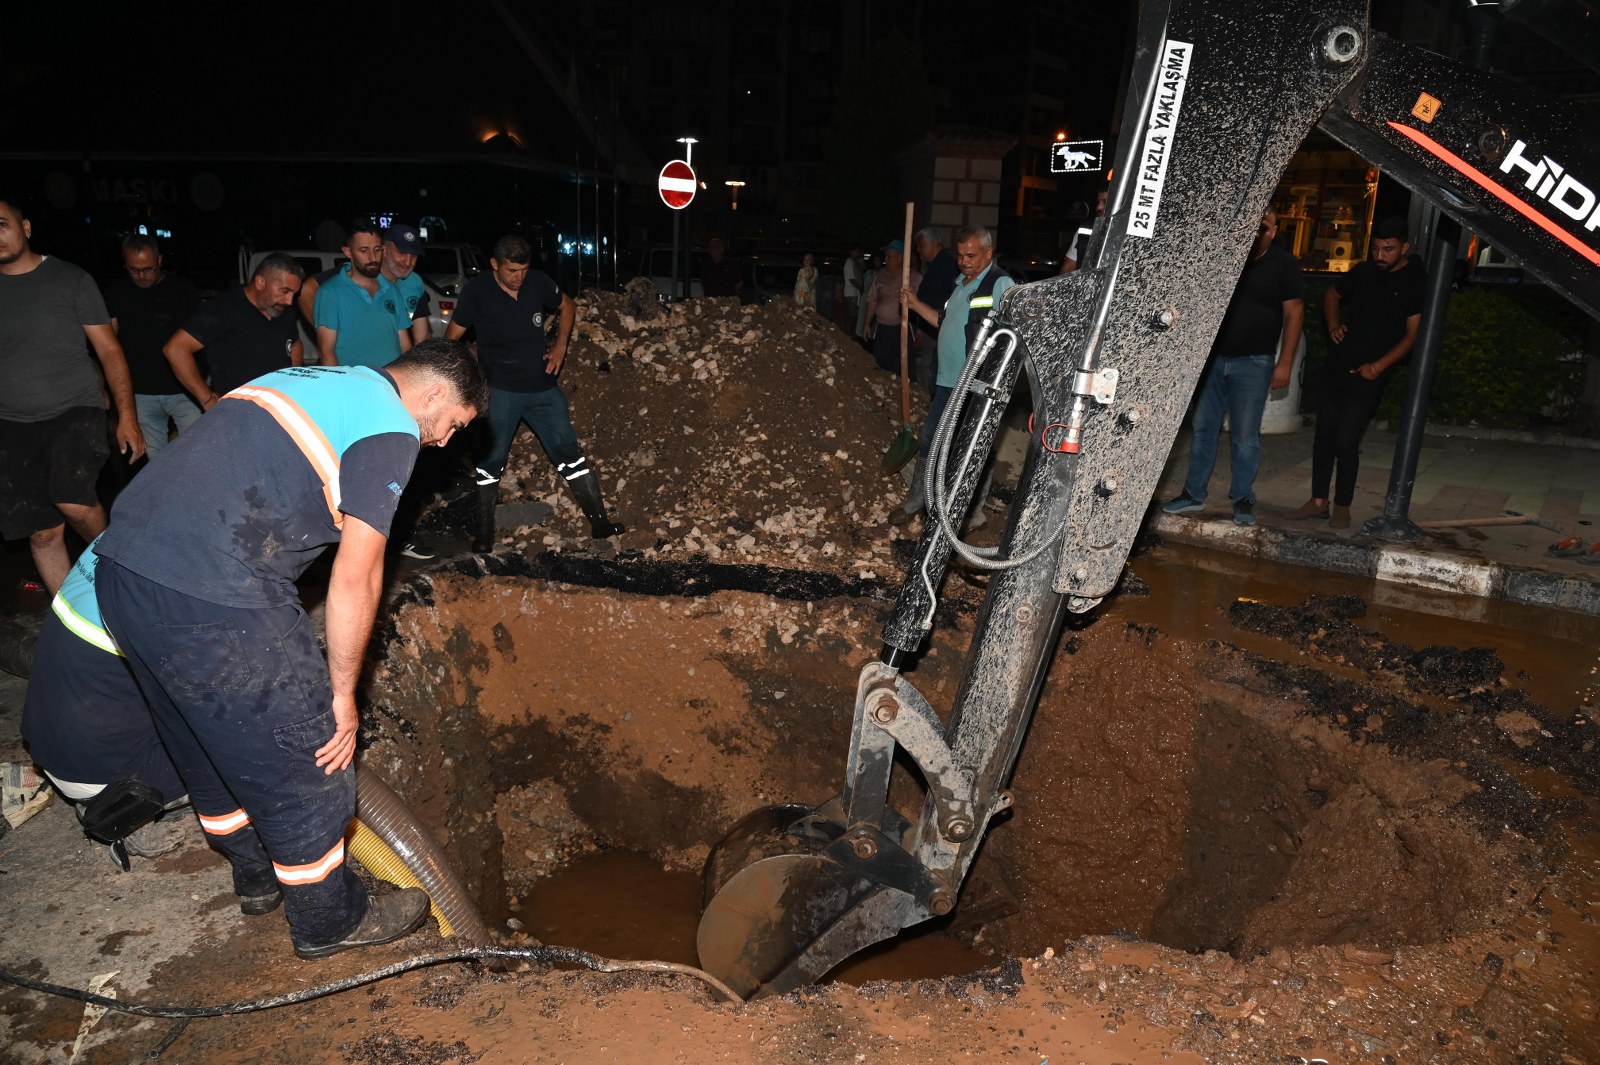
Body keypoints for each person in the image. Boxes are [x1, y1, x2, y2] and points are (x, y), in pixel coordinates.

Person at [93, 340, 487, 960]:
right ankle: (330, 917)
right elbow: (357, 577)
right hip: (214, 588)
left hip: (119, 569)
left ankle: (255, 875)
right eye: (453, 425)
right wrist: (340, 695)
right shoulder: (391, 427)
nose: (443, 442)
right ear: (434, 393)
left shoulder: (316, 378)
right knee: (314, 751)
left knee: (201, 736)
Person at [0, 195, 145, 596]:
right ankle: (71, 616)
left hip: (73, 409)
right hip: (10, 425)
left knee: (73, 500)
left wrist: (127, 416)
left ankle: (120, 566)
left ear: (25, 227)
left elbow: (110, 350)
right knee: (43, 534)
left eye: (2, 224)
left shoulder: (71, 279)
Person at [22, 539, 193, 867]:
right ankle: (122, 813)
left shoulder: (115, 538)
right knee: (241, 750)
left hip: (49, 745)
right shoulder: (177, 581)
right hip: (102, 774)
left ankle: (109, 793)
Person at [446, 234, 624, 548]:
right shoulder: (477, 292)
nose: (519, 278)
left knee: (569, 454)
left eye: (524, 270)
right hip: (500, 390)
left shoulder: (538, 282)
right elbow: (452, 338)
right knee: (490, 462)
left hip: (543, 389)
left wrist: (560, 347)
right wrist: (460, 377)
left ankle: (600, 523)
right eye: (512, 271)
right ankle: (484, 536)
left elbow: (567, 305)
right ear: (494, 265)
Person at [1162, 209, 1305, 525]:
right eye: (1250, 226)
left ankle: (1242, 496)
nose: (1255, 233)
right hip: (1212, 361)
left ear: (1274, 229)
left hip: (1254, 362)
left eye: (1263, 227)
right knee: (1203, 428)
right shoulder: (1225, 259)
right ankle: (1193, 494)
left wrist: (1285, 363)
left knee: (1244, 434)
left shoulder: (1282, 264)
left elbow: (1295, 314)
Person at [1286, 217, 1426, 529]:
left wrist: (1379, 366)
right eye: (1376, 248)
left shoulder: (1415, 281)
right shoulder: (1363, 271)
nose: (1380, 255)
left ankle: (1343, 505)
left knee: (1346, 439)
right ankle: (1318, 501)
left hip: (1370, 373)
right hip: (1339, 364)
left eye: (1388, 250)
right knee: (1323, 435)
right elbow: (1332, 294)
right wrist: (1334, 324)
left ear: (1404, 248)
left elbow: (1412, 336)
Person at [892, 224, 1015, 525]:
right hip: (948, 381)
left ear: (988, 251)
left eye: (971, 255)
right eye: (960, 255)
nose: (964, 261)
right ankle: (917, 500)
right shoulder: (960, 283)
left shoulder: (999, 284)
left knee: (971, 447)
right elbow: (942, 322)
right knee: (931, 439)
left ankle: (969, 513)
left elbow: (1010, 334)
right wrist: (914, 303)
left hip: (976, 384)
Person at [103, 235, 202, 458]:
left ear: (159, 260)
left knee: (197, 453)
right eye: (134, 270)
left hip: (184, 390)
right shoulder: (115, 294)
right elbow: (107, 346)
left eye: (148, 269)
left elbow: (203, 338)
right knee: (156, 460)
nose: (141, 276)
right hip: (140, 392)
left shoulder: (183, 290)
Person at [164, 253, 305, 406]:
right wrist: (207, 399)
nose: (290, 301)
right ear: (260, 282)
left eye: (294, 294)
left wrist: (292, 381)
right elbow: (176, 349)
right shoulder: (223, 308)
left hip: (278, 406)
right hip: (238, 410)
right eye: (285, 291)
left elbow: (295, 344)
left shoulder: (283, 310)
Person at [313, 222, 412, 368]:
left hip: (390, 382)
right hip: (352, 384)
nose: (372, 257)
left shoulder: (392, 290)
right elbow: (326, 351)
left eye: (377, 249)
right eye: (364, 250)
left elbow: (405, 344)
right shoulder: (330, 292)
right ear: (348, 252)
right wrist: (338, 386)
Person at [864, 239, 923, 376]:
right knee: (881, 367)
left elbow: (921, 305)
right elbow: (872, 301)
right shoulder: (879, 275)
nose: (886, 259)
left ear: (900, 257)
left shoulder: (913, 277)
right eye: (885, 256)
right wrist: (867, 323)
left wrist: (919, 332)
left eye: (889, 256)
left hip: (902, 329)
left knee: (901, 369)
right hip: (882, 330)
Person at [912, 227, 959, 396]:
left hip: (938, 325)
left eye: (921, 245)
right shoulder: (935, 266)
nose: (918, 250)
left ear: (933, 243)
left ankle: (928, 401)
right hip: (929, 326)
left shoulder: (947, 265)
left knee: (930, 365)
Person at [381, 223, 433, 347]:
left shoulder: (414, 282)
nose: (408, 262)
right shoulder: (367, 281)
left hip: (399, 362)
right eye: (402, 253)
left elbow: (422, 337)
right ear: (384, 250)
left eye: (414, 256)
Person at [1060, 188, 1108, 275]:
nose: (1099, 207)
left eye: (1105, 202)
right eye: (1098, 202)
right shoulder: (1085, 228)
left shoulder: (1131, 231)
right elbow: (1069, 267)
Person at [841, 247, 864, 334]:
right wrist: (860, 287)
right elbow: (851, 279)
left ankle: (850, 331)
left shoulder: (854, 262)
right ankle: (850, 332)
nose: (858, 254)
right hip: (851, 293)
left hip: (854, 292)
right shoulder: (849, 262)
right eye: (856, 252)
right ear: (851, 252)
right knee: (852, 315)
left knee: (853, 314)